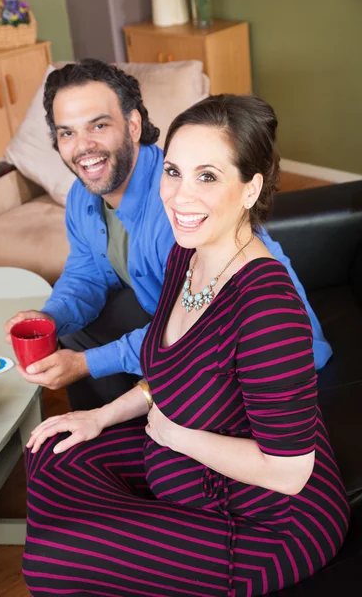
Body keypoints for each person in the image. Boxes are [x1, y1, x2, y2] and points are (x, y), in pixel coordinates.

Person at [23, 94, 348, 596]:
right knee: (51, 450)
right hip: (185, 465)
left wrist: (177, 438)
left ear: (250, 188)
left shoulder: (267, 308)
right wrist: (100, 415)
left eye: (208, 176)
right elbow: (176, 369)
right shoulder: (187, 254)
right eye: (173, 171)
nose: (178, 196)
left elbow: (288, 471)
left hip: (268, 521)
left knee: (52, 564)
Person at [5, 60, 332, 411]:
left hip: (259, 354)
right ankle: (103, 431)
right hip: (174, 313)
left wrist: (86, 364)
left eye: (98, 125)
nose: (83, 146)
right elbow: (87, 273)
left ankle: (121, 432)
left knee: (87, 359)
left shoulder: (179, 210)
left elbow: (199, 327)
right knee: (71, 333)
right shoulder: (81, 197)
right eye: (67, 132)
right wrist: (49, 318)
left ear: (133, 125)